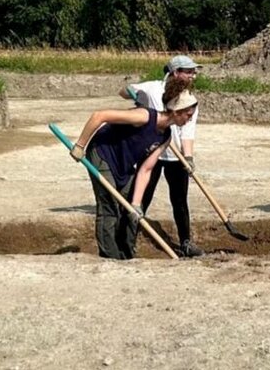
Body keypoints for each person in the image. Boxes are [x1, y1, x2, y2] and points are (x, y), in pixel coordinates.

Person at [70, 76, 198, 260]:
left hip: (124, 164)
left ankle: (127, 253)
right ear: (177, 111)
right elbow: (100, 116)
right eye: (188, 115)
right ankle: (110, 255)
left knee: (130, 208)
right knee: (109, 205)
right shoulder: (144, 116)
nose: (189, 119)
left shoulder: (166, 136)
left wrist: (136, 205)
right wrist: (80, 145)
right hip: (103, 154)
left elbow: (146, 169)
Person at [119, 54, 204, 258]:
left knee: (180, 201)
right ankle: (126, 242)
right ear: (176, 73)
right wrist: (133, 93)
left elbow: (188, 131)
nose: (194, 75)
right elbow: (123, 91)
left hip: (175, 157)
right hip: (151, 150)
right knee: (142, 197)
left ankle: (185, 243)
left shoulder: (190, 99)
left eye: (194, 72)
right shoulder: (153, 88)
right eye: (189, 71)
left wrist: (188, 157)